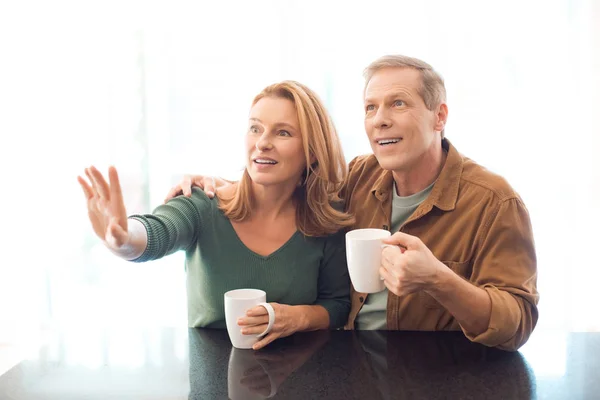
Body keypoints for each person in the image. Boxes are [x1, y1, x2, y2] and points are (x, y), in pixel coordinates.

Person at [165, 55, 539, 351]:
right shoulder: (359, 177)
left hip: (441, 376)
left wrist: (438, 280)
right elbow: (293, 180)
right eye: (370, 108)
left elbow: (517, 324)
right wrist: (222, 186)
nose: (380, 121)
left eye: (397, 104)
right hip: (349, 363)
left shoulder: (494, 203)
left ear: (439, 115)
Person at [78, 80, 354, 350]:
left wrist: (297, 318)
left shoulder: (326, 220)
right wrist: (123, 239)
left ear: (313, 153)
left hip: (302, 382)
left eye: (283, 133)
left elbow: (338, 305)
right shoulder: (202, 203)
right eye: (255, 128)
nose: (262, 143)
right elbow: (156, 232)